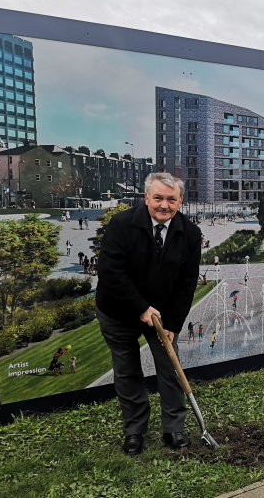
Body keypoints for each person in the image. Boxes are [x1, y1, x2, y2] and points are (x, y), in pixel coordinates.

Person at [96, 172, 201, 455]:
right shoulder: (120, 225)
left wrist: (174, 324)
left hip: (163, 313)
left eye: (171, 199)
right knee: (127, 370)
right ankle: (134, 431)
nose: (164, 205)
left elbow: (186, 283)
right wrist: (141, 308)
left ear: (180, 201)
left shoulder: (190, 234)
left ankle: (174, 428)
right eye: (158, 198)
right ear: (146, 198)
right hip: (117, 309)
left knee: (169, 368)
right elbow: (110, 273)